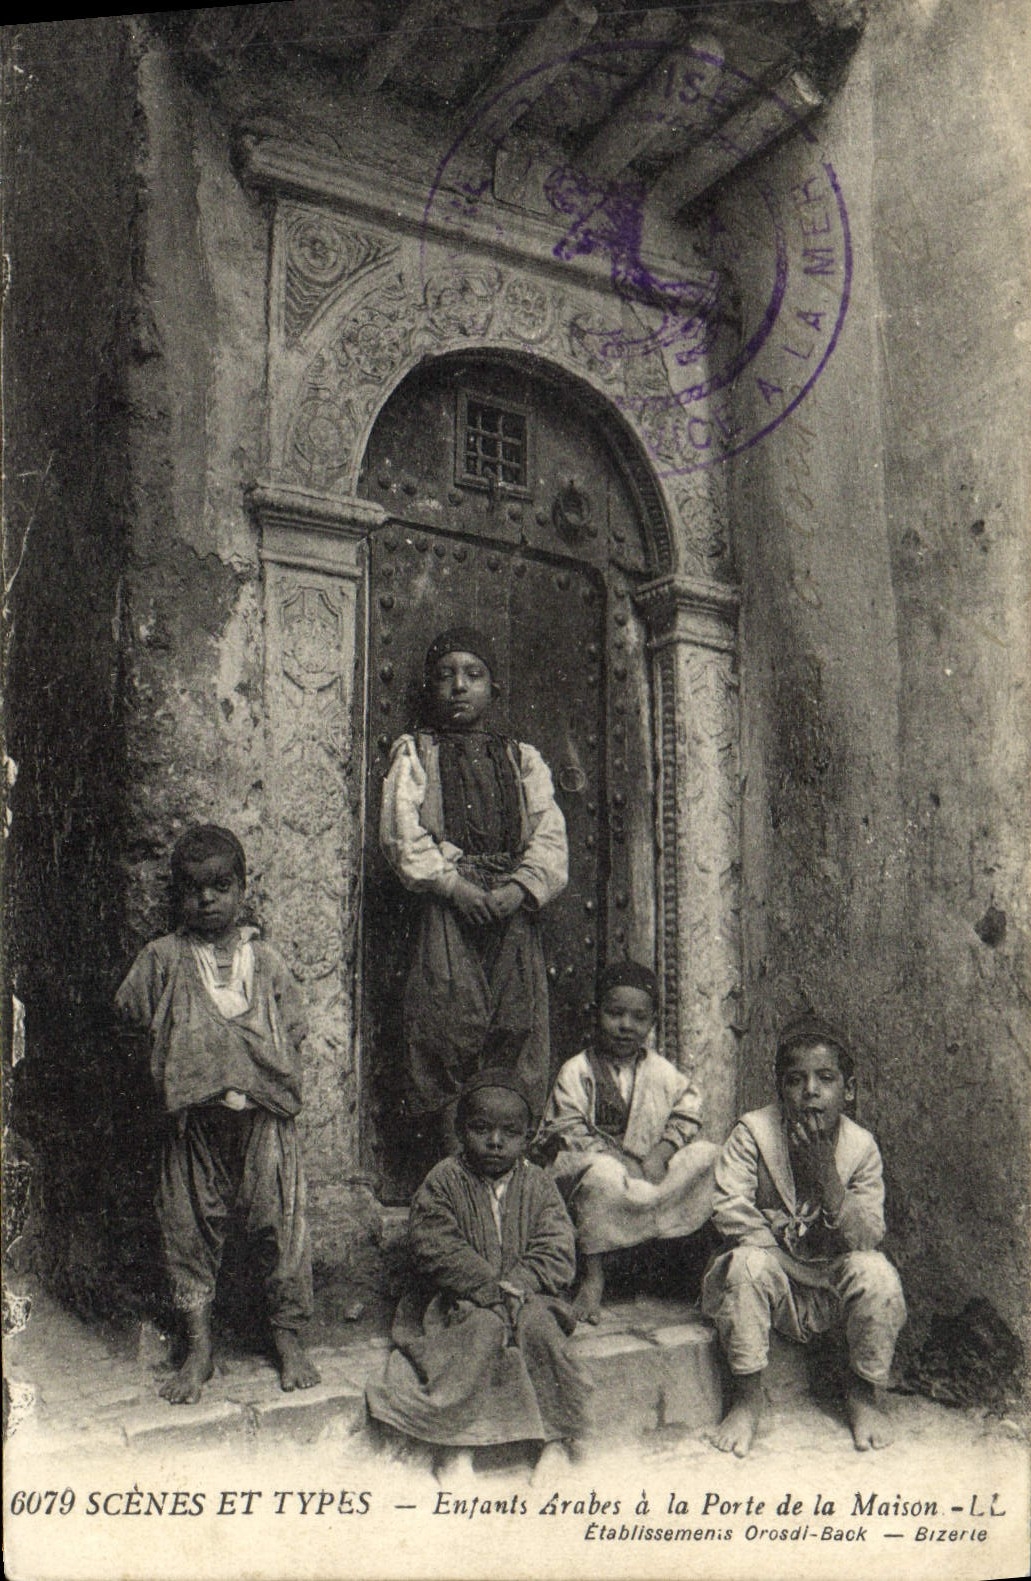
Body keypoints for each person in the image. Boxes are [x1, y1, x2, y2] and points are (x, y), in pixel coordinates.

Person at [115, 825, 320, 1404]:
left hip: (263, 1121)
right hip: (193, 1126)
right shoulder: (163, 959)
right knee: (186, 1227)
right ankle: (199, 1347)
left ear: (243, 889)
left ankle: (287, 1338)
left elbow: (294, 1027)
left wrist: (252, 1067)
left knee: (280, 1224)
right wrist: (178, 1067)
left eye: (221, 887)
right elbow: (128, 1015)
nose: (207, 899)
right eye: (192, 889)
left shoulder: (266, 962)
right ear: (177, 895)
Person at [380, 628, 567, 1163]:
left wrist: (519, 889)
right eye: (445, 675)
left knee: (515, 1023)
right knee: (446, 1025)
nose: (459, 686)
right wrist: (454, 887)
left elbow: (549, 834)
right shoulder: (417, 753)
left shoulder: (521, 758)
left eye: (473, 675)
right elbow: (402, 834)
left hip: (511, 909)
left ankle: (509, 1165)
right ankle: (449, 1166)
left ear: (493, 688)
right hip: (448, 908)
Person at [365, 1067, 590, 1482]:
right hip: (460, 1299)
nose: (495, 1141)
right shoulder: (443, 1181)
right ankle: (456, 1445)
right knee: (480, 1332)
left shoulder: (539, 1185)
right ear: (459, 1130)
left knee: (541, 1329)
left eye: (510, 1132)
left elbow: (557, 1246)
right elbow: (435, 1244)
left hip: (527, 1297)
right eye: (481, 1129)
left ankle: (556, 1440)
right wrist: (487, 1288)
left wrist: (521, 1283)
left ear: (528, 1137)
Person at [702, 1015, 906, 1456]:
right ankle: (748, 1399)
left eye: (825, 1078)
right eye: (795, 1080)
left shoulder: (861, 1147)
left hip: (829, 1287)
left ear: (848, 1090)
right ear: (780, 1089)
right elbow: (730, 1211)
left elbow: (867, 1235)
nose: (810, 1090)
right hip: (772, 1282)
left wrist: (827, 1175)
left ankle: (862, 1394)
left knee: (878, 1275)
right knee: (745, 1265)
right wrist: (790, 1265)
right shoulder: (753, 1134)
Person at [536, 960, 717, 1322]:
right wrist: (621, 1162)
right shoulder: (578, 1070)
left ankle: (706, 1271)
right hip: (599, 1172)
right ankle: (594, 1277)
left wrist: (662, 1152)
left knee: (710, 1156)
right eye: (615, 1013)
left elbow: (688, 1107)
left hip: (650, 1170)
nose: (625, 1026)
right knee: (601, 1174)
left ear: (652, 1023)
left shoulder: (660, 1070)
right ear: (596, 1014)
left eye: (638, 1018)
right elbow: (567, 1129)